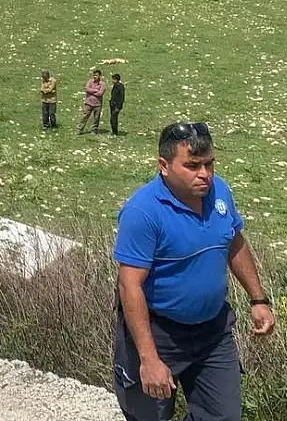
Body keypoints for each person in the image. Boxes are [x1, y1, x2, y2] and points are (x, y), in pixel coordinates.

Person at [112, 122, 275, 421]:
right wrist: (148, 359)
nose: (205, 174)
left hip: (213, 332)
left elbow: (234, 241)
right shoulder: (143, 212)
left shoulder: (220, 192)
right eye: (192, 166)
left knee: (223, 416)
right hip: (159, 334)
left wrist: (258, 299)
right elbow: (129, 286)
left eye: (209, 164)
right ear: (164, 165)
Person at [78, 69, 106, 135]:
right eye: (94, 75)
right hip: (88, 103)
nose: (94, 77)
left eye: (96, 75)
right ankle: (80, 129)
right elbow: (87, 89)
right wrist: (95, 90)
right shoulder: (90, 81)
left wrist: (91, 92)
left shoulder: (102, 84)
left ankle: (94, 130)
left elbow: (100, 93)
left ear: (99, 76)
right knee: (84, 116)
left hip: (97, 104)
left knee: (96, 118)